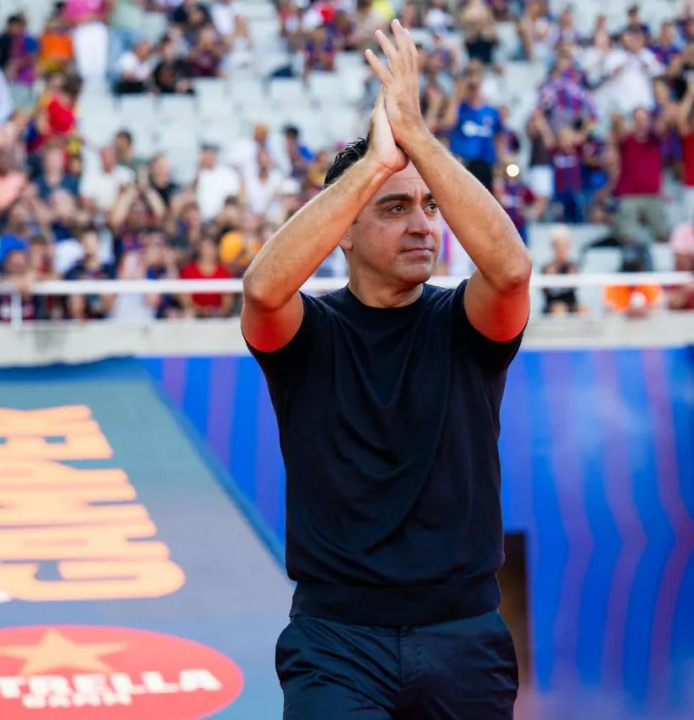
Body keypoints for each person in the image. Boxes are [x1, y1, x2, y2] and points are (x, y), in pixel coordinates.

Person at [241, 19, 532, 720]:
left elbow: (512, 270)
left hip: (465, 639)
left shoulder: (465, 321)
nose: (424, 226)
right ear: (343, 229)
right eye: (395, 208)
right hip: (335, 645)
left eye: (429, 206)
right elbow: (262, 292)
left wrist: (416, 139)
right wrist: (374, 164)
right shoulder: (310, 332)